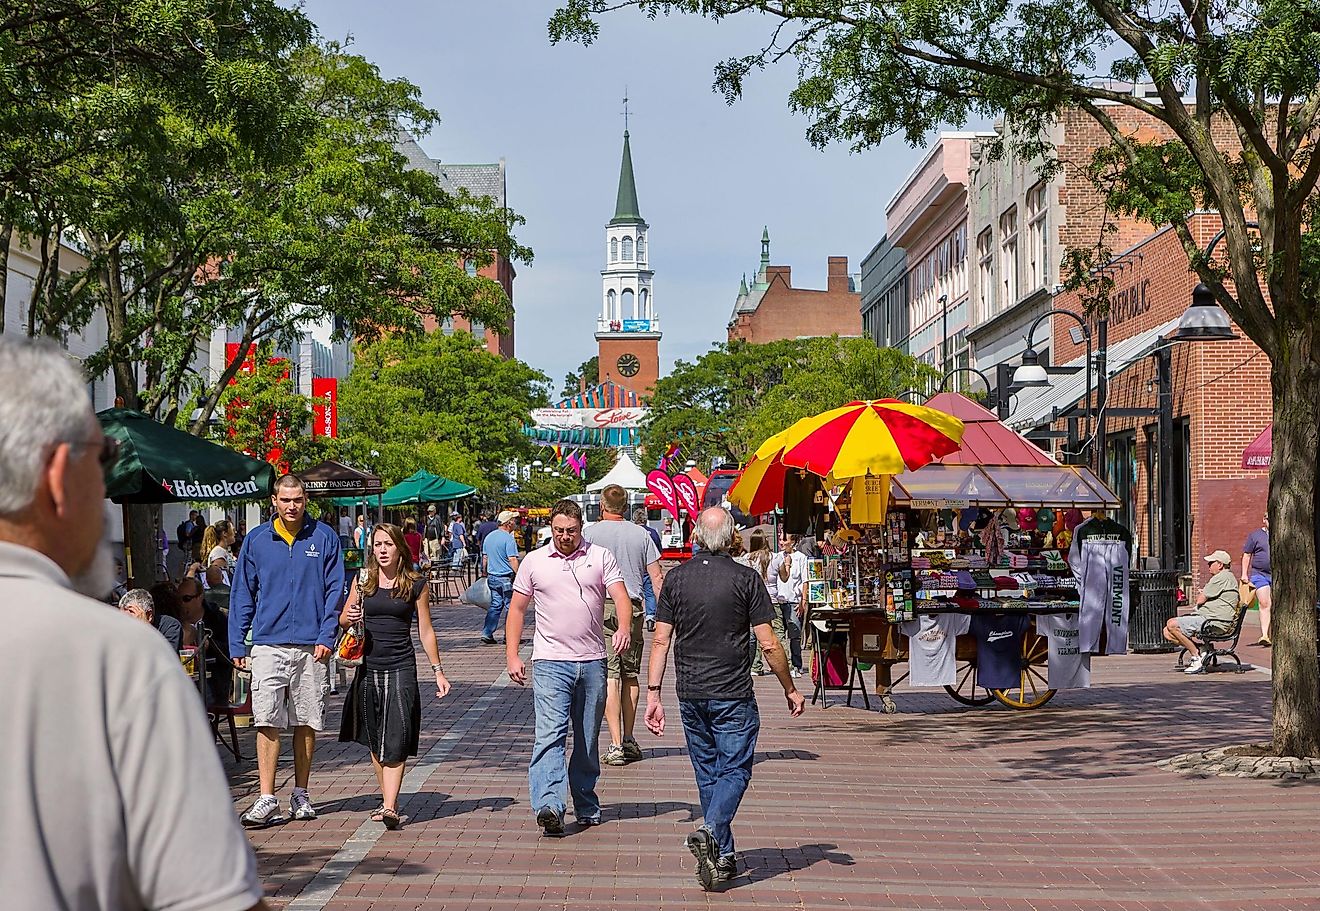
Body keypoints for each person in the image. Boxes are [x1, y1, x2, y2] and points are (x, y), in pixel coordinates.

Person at [0, 335, 267, 910]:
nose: (105, 490)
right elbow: (213, 899)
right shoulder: (118, 655)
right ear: (56, 478)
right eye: (100, 462)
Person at [645, 507, 805, 890]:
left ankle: (723, 857)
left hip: (691, 692)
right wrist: (789, 687)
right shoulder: (746, 579)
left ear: (697, 535)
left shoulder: (676, 579)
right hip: (732, 693)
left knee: (708, 774)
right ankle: (712, 832)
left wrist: (654, 693)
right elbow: (768, 643)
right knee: (734, 770)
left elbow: (661, 639)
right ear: (731, 536)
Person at [504, 499, 631, 834]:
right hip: (549, 662)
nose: (564, 537)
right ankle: (549, 805)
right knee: (549, 734)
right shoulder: (534, 561)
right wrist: (512, 654)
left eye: (570, 531)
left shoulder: (600, 556)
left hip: (591, 661)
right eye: (559, 531)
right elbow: (517, 609)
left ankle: (585, 802)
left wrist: (623, 627)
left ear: (581, 528)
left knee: (587, 738)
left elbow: (620, 596)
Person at [230, 473, 344, 828]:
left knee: (306, 721)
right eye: (285, 500)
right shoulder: (256, 541)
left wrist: (327, 635)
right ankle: (267, 798)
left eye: (298, 499)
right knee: (266, 720)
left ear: (305, 500)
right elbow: (242, 593)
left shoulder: (324, 537)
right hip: (267, 643)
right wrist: (238, 641)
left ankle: (301, 793)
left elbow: (335, 590)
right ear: (274, 502)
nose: (292, 506)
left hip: (311, 644)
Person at [338, 522, 451, 828]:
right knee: (375, 738)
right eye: (377, 545)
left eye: (388, 544)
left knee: (396, 735)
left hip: (401, 665)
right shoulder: (363, 581)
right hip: (368, 666)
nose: (383, 550)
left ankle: (389, 806)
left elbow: (425, 630)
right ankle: (389, 799)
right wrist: (349, 617)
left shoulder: (415, 583)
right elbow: (344, 618)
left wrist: (438, 670)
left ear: (400, 548)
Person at [584, 485, 663, 766]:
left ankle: (615, 744)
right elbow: (656, 578)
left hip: (600, 608)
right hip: (633, 608)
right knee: (631, 674)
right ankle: (628, 738)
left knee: (610, 675)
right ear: (627, 507)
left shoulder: (589, 534)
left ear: (602, 506)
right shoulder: (641, 534)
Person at [1164, 550, 1241, 674]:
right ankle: (1202, 649)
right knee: (1167, 632)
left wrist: (1204, 595)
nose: (1208, 566)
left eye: (1211, 563)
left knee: (1172, 624)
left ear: (1220, 565)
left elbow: (1200, 600)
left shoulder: (1221, 577)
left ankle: (1197, 656)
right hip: (1209, 618)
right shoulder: (1227, 577)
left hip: (1214, 621)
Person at [740, 531, 788, 676]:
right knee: (778, 634)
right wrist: (788, 565)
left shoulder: (747, 558)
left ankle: (755, 666)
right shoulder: (777, 557)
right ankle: (786, 666)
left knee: (755, 635)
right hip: (773, 600)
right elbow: (784, 578)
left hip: (754, 601)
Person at [480, 510, 522, 644]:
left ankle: (487, 633)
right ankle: (510, 636)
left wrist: (484, 572)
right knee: (511, 607)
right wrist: (520, 575)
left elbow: (485, 557)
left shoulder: (489, 537)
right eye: (514, 521)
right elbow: (513, 559)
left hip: (492, 577)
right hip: (505, 578)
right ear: (508, 523)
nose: (515, 523)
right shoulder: (508, 538)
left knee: (495, 606)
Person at [770, 534, 808, 676]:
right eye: (780, 539)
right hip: (778, 600)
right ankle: (782, 665)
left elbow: (805, 580)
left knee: (795, 635)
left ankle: (796, 665)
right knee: (779, 636)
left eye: (784, 540)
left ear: (793, 542)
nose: (781, 542)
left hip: (794, 601)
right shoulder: (776, 557)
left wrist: (803, 601)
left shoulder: (801, 558)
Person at [119, 587, 184, 651]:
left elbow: (163, 658)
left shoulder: (170, 626)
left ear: (149, 615)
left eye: (130, 619)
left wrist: (143, 630)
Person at [1242, 514, 1271, 646]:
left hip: (1279, 575)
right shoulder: (1255, 536)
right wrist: (1244, 574)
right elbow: (1247, 555)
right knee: (1264, 603)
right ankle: (1264, 635)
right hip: (1260, 574)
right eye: (1268, 519)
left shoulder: (1284, 533)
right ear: (1264, 520)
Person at [633, 508, 663, 632]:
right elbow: (659, 548)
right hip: (649, 566)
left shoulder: (633, 532)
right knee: (650, 593)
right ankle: (650, 617)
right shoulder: (652, 532)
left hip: (635, 566)